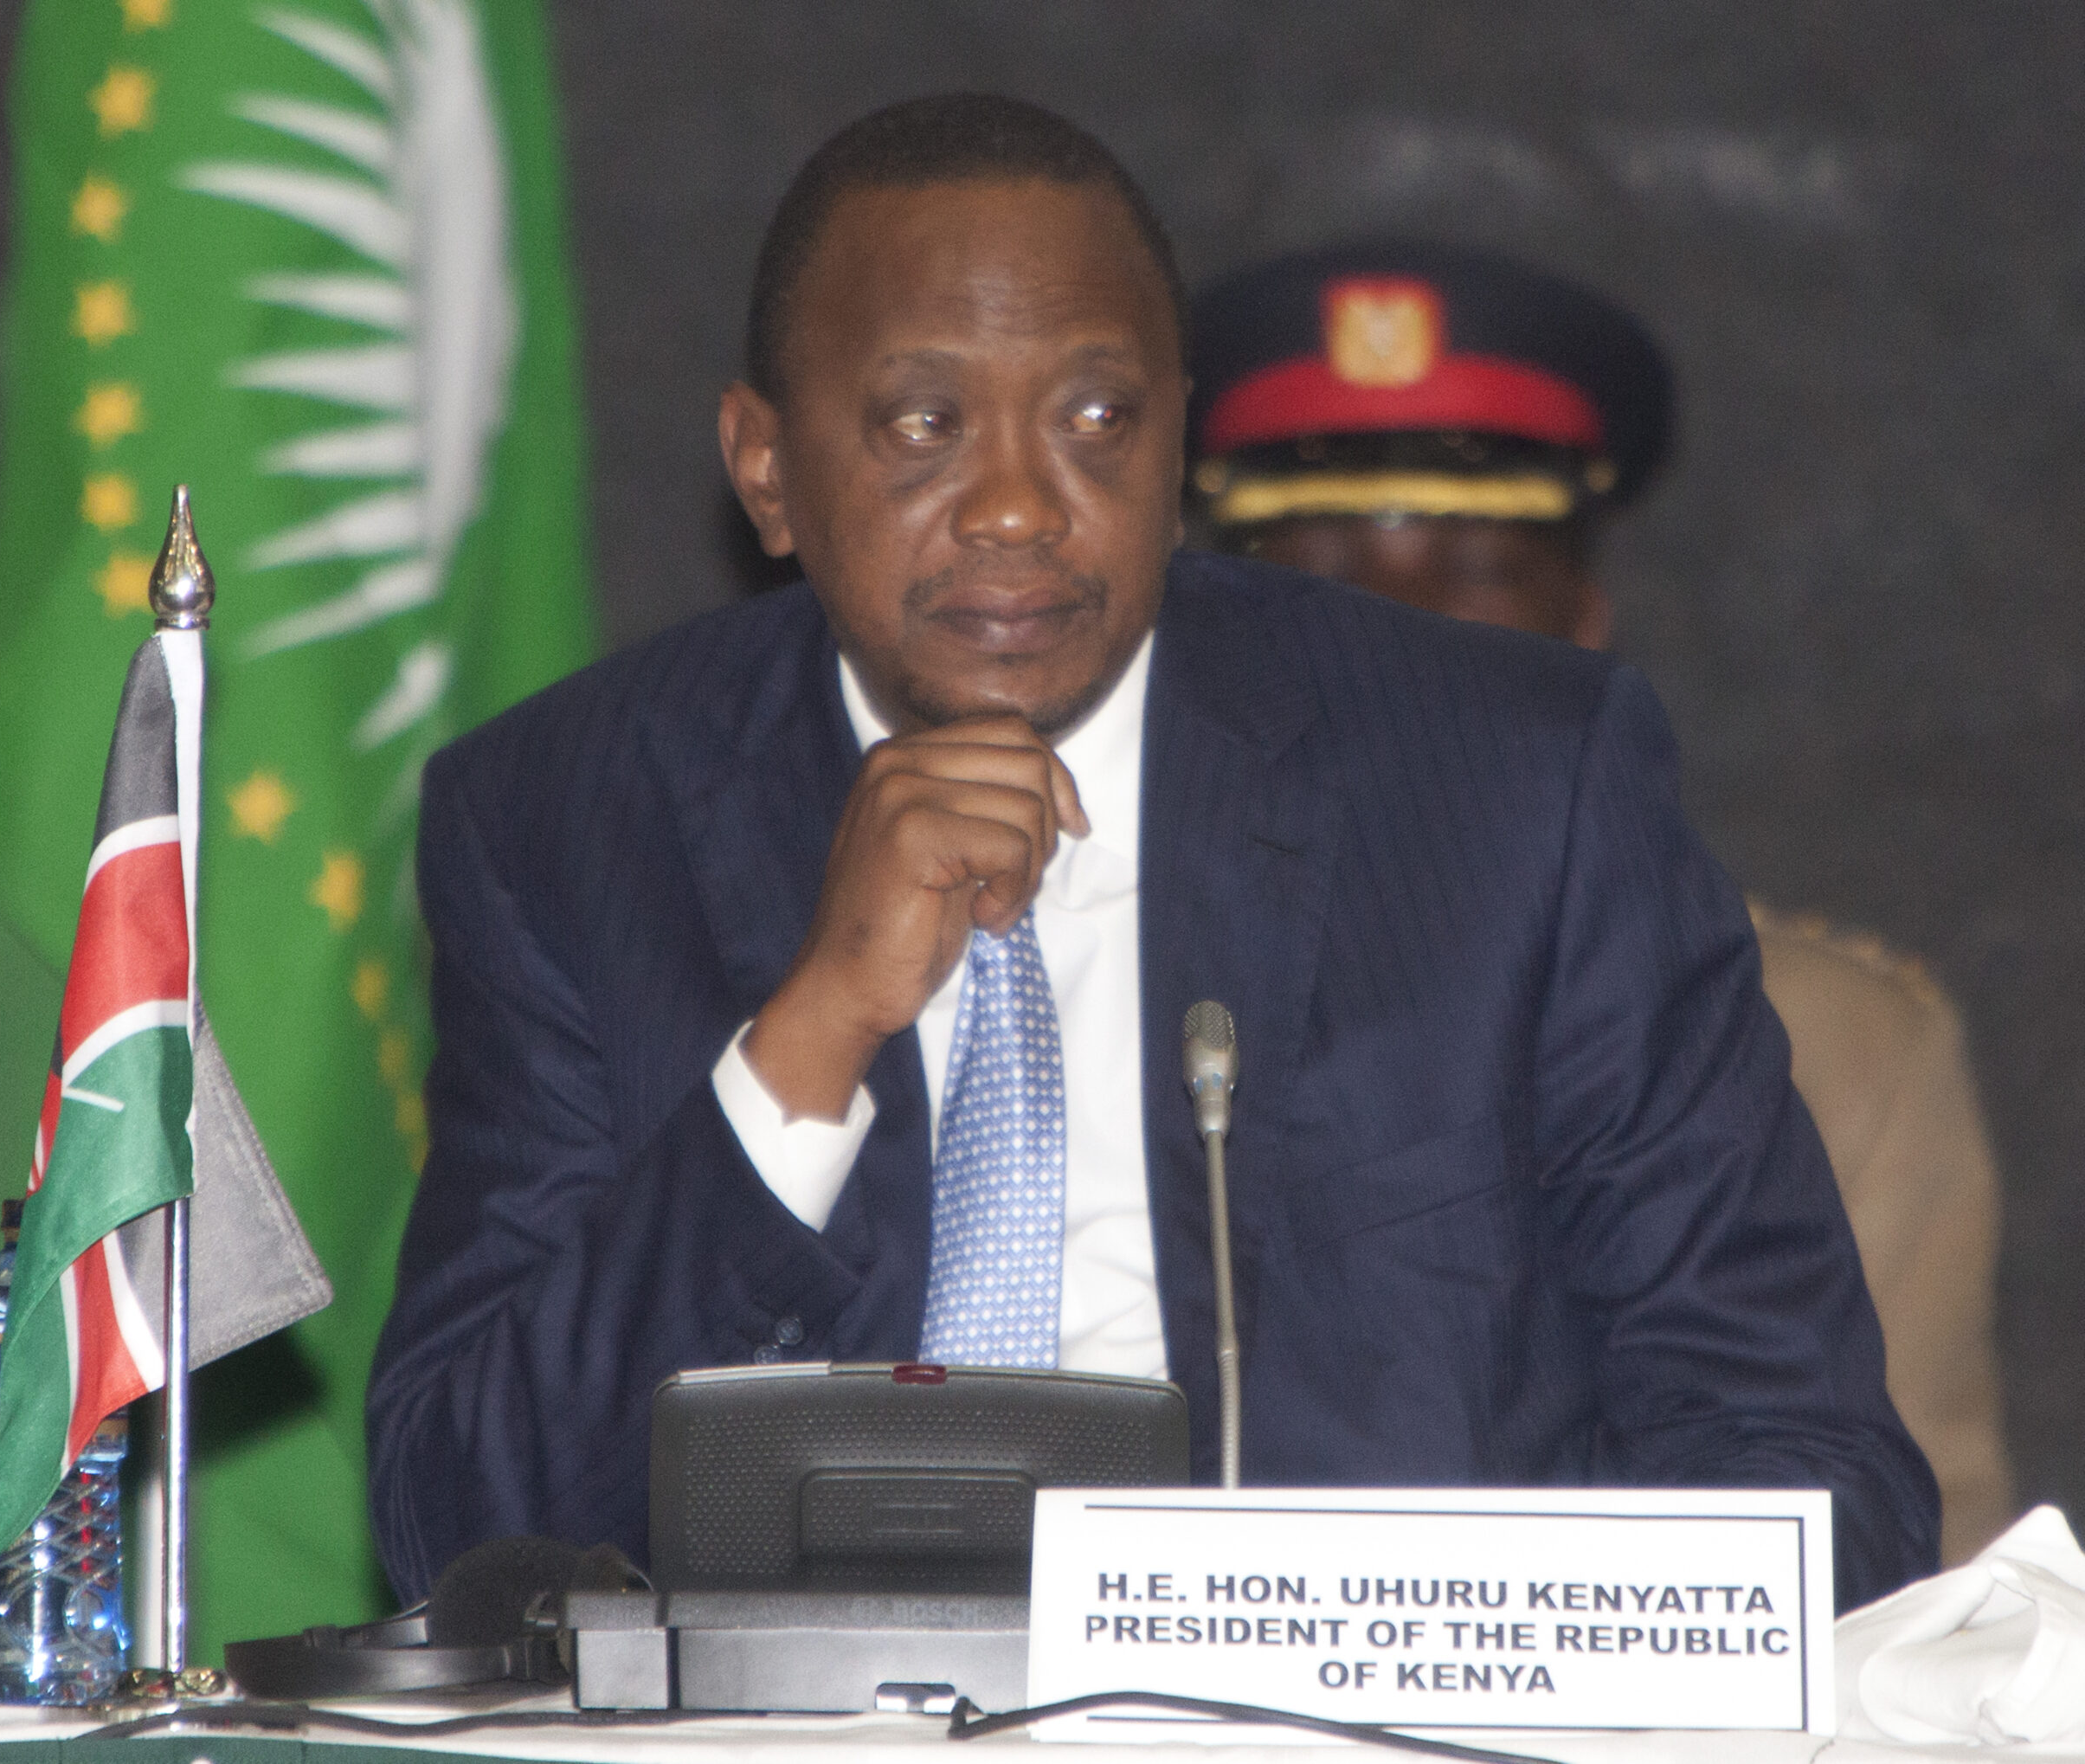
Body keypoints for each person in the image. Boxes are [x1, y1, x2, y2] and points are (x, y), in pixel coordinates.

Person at [365, 96, 1938, 1614]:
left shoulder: (1519, 791)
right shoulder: (567, 822)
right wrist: (810, 1037)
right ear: (765, 467)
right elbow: (458, 1527)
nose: (1015, 507)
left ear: (1180, 441)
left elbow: (1808, 1468)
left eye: (1096, 419)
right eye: (923, 425)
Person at [1187, 240, 2013, 1562]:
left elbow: (1913, 1582)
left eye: (1473, 572)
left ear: (1585, 621)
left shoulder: (1844, 1046)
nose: (1410, 651)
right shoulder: (1092, 969)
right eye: (1328, 592)